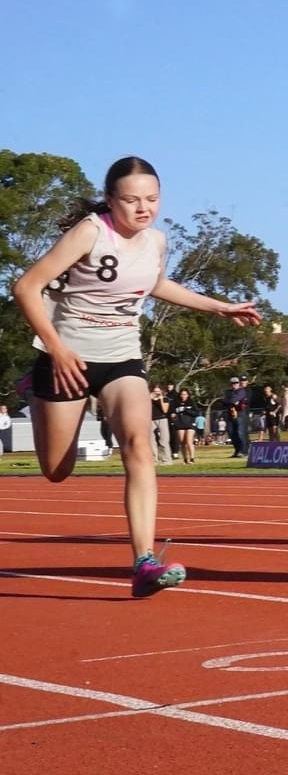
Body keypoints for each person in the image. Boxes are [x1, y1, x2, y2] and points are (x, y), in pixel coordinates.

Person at [9, 156, 261, 597]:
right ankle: (35, 390)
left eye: (152, 199)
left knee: (139, 444)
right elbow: (26, 286)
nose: (143, 208)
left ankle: (144, 559)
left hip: (123, 355)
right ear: (110, 200)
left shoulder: (156, 241)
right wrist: (55, 347)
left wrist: (220, 306)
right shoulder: (91, 231)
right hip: (68, 357)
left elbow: (157, 285)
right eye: (131, 200)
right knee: (56, 469)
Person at [171, 387, 199, 464]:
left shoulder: (191, 402)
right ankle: (185, 459)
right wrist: (173, 415)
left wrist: (186, 410)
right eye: (182, 394)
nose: (183, 396)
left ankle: (192, 458)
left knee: (189, 441)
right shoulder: (175, 403)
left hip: (190, 423)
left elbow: (196, 413)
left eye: (185, 394)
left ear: (188, 395)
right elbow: (172, 412)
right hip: (180, 424)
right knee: (182, 442)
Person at [150, 384, 172, 465]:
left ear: (161, 391)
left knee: (164, 440)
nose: (156, 393)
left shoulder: (165, 399)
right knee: (151, 441)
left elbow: (165, 410)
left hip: (162, 419)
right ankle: (153, 460)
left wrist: (161, 400)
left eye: (158, 391)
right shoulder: (149, 399)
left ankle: (166, 460)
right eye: (155, 391)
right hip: (151, 420)